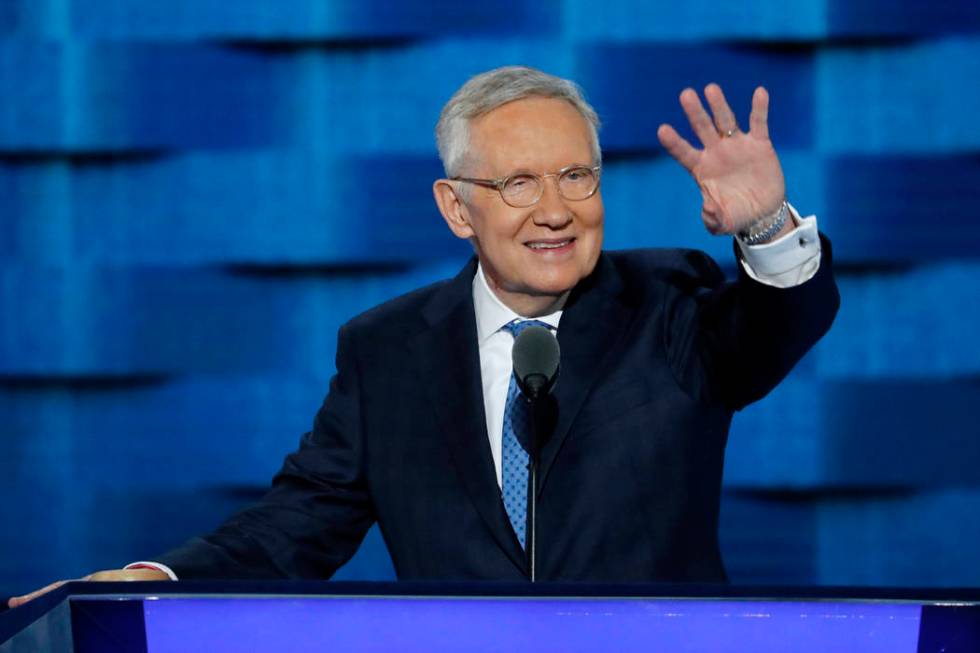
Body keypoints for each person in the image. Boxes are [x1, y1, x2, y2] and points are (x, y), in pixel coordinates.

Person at [8, 66, 837, 606]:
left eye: (576, 175)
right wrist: (155, 576)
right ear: (455, 208)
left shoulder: (669, 300)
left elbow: (776, 326)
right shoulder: (387, 349)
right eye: (517, 183)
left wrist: (765, 222)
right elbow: (296, 525)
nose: (556, 209)